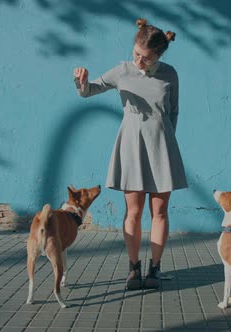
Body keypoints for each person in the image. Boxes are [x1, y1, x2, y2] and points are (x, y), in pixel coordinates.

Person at [73, 18, 188, 290]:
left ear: (158, 55)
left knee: (159, 211)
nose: (138, 62)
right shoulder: (122, 70)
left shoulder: (170, 74)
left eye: (146, 59)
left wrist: (166, 140)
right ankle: (133, 268)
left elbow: (174, 111)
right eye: (136, 54)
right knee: (133, 212)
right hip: (131, 144)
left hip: (162, 145)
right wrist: (81, 81)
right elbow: (88, 92)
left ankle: (155, 269)